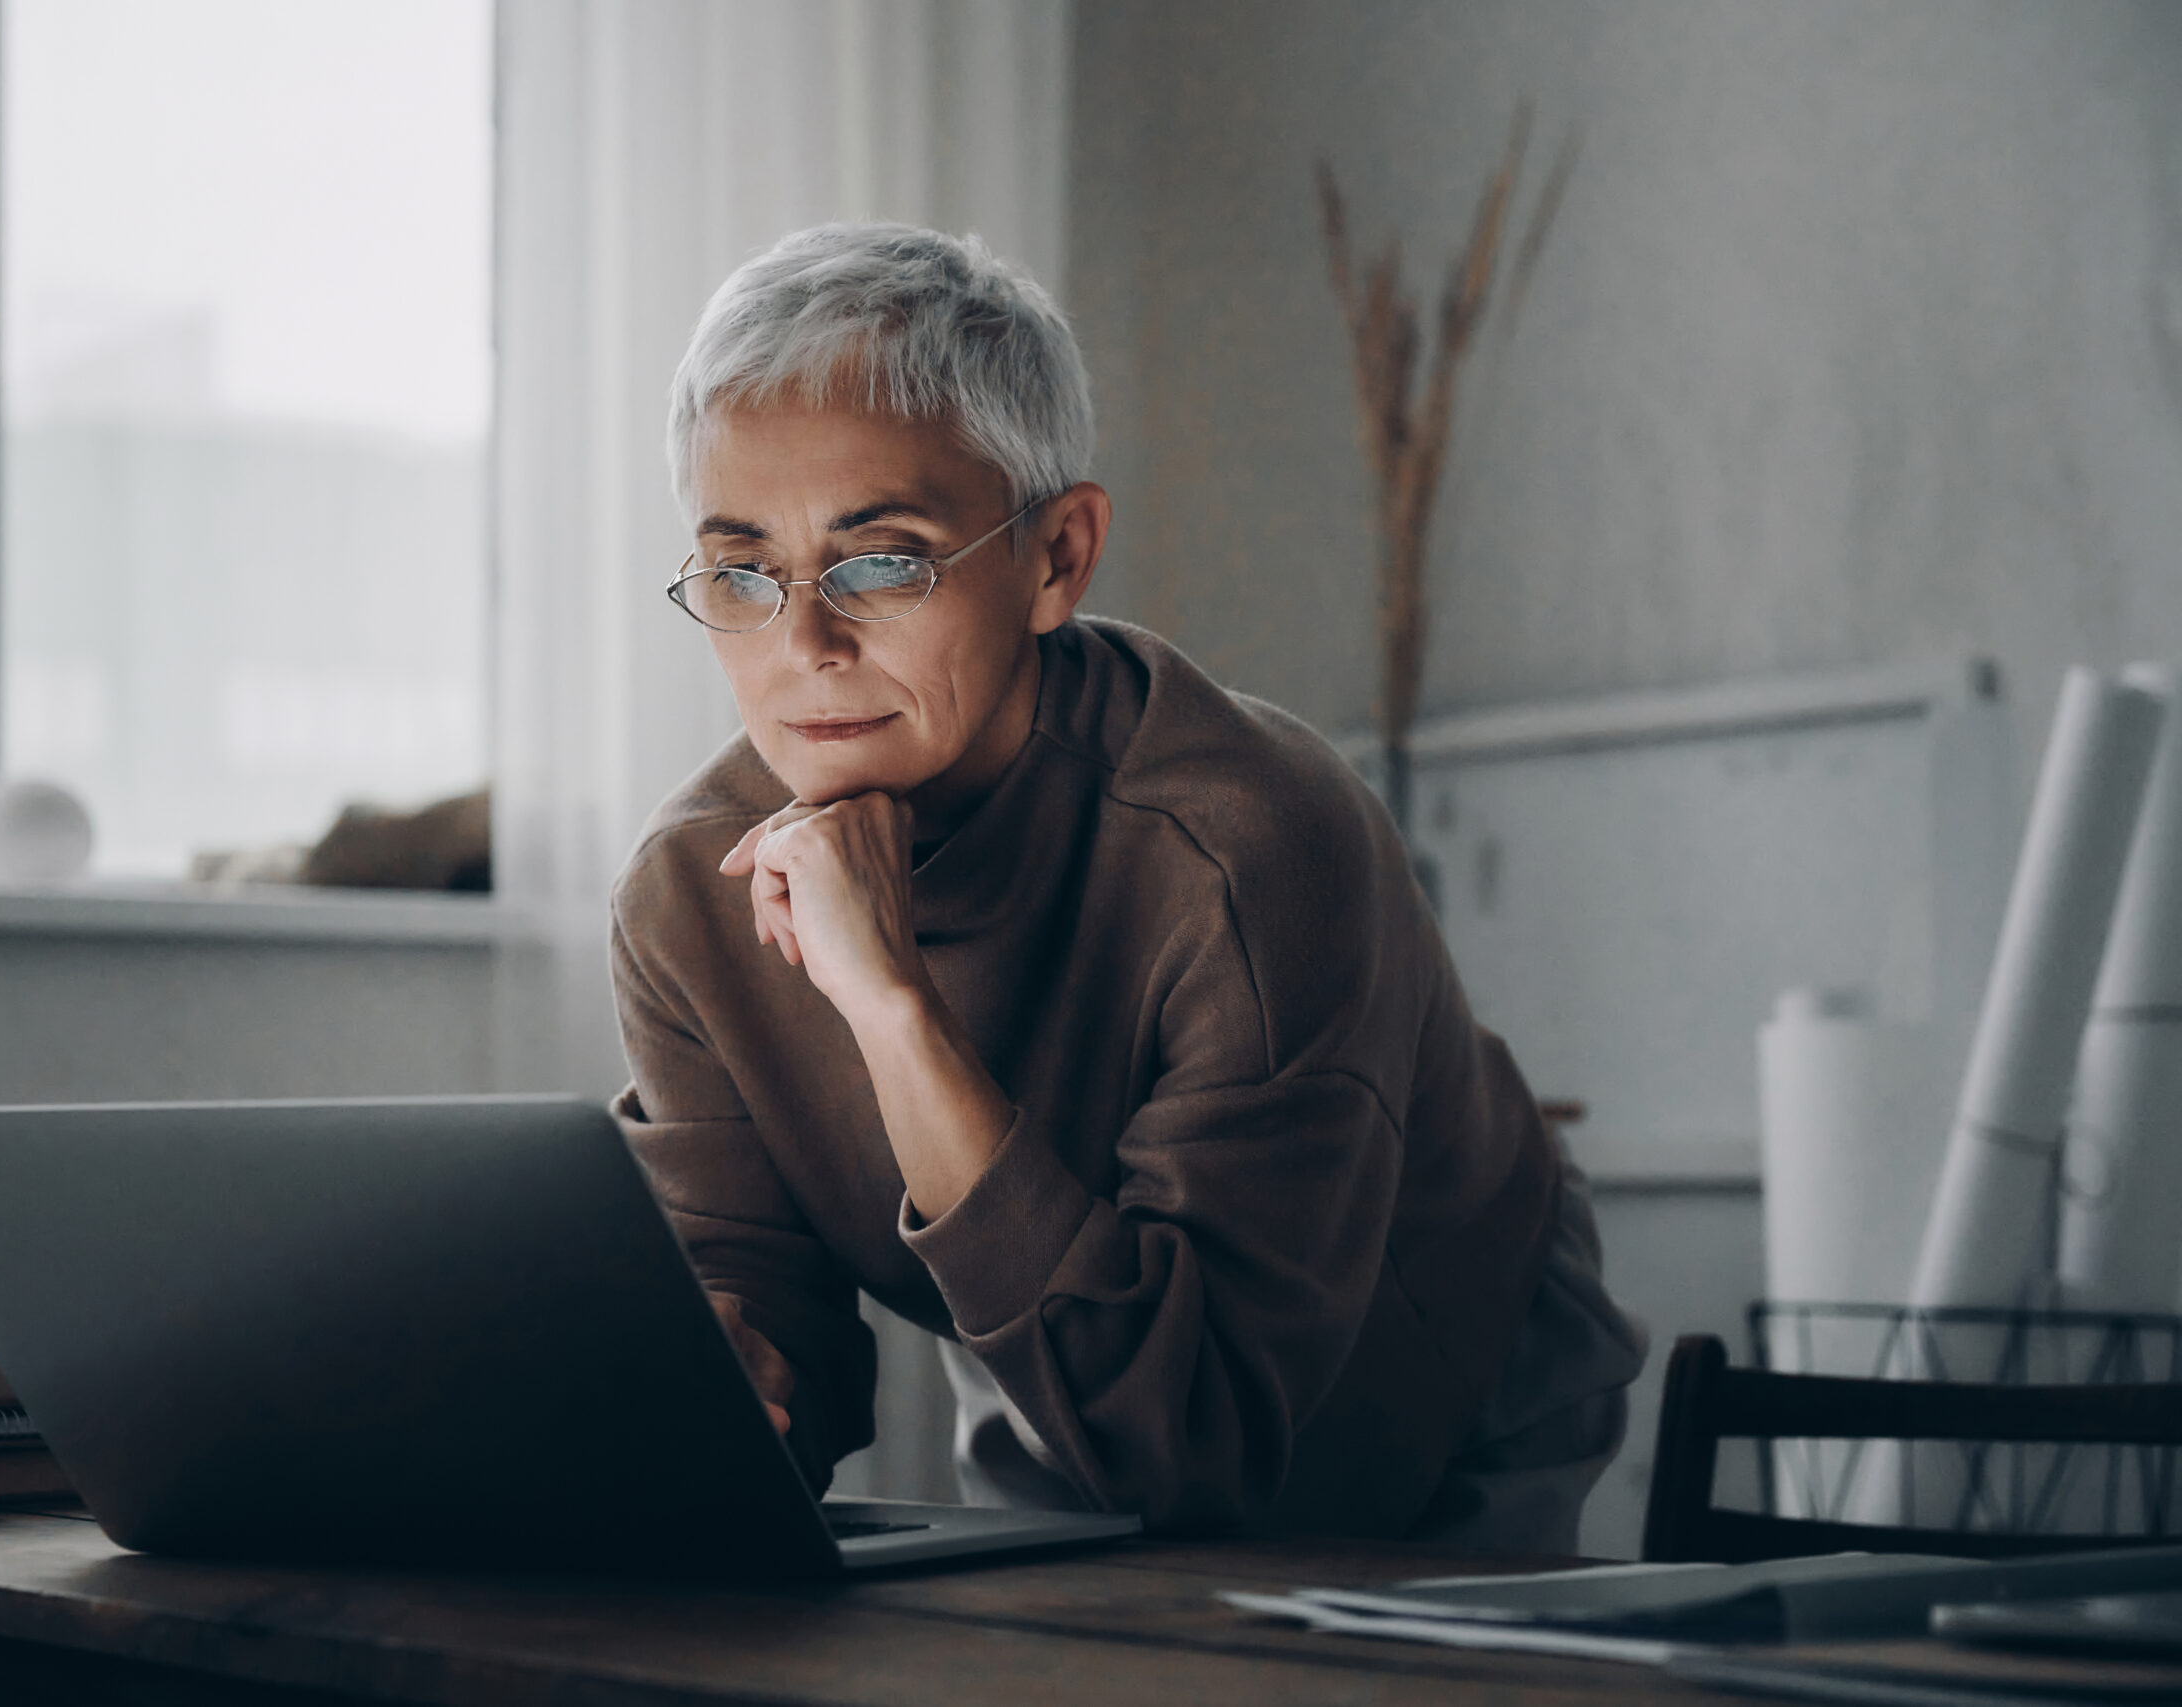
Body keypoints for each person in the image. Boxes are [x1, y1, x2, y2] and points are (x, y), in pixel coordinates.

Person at [609, 223, 1645, 1549]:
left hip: (1428, 1376)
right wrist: (714, 1378)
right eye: (741, 572)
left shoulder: (1255, 843)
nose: (802, 643)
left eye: (881, 560)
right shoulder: (690, 896)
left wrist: (891, 1008)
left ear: (1058, 557)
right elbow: (761, 1318)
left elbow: (1203, 1445)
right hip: (1077, 1357)